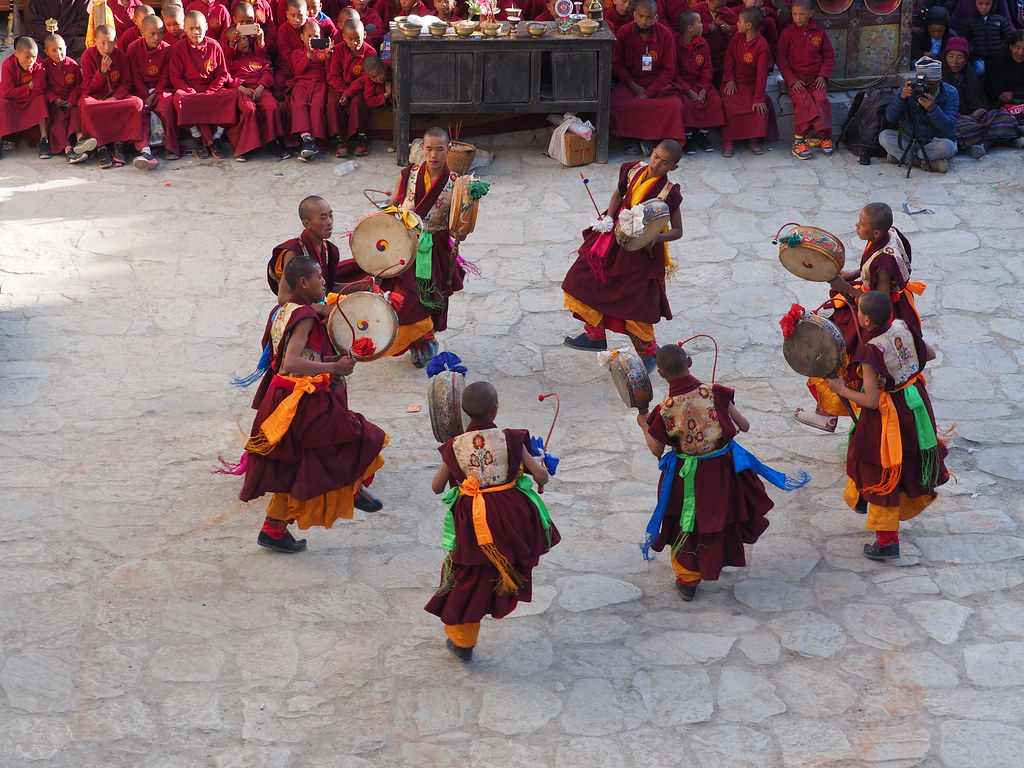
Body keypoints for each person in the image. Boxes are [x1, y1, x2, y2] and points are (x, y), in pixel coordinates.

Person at [239, 255, 389, 554]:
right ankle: (353, 490)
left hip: (288, 396)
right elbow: (289, 362)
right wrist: (334, 369)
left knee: (301, 465)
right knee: (360, 436)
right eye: (319, 278)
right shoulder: (305, 316)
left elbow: (301, 356)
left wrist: (331, 360)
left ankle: (274, 528)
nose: (324, 281)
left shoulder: (285, 309)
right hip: (300, 399)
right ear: (304, 283)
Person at [637, 345, 806, 601]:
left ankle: (688, 579)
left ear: (660, 373)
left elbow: (655, 450)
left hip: (688, 477)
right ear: (690, 362)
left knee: (688, 522)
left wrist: (642, 423)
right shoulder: (714, 392)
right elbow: (745, 426)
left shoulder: (665, 410)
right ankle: (716, 559)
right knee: (720, 516)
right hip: (724, 470)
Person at [423, 381, 557, 662]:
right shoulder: (511, 438)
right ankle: (501, 595)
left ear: (463, 412)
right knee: (503, 564)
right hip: (512, 517)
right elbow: (541, 477)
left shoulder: (454, 445)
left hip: (473, 518)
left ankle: (463, 640)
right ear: (496, 409)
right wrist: (540, 467)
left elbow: (437, 487)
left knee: (468, 574)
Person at [825, 292, 949, 560]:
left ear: (866, 319)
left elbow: (870, 400)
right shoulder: (902, 326)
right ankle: (861, 500)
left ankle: (886, 541)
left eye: (858, 312)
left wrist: (840, 389)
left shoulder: (871, 350)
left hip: (887, 415)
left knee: (880, 468)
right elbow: (930, 353)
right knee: (901, 460)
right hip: (914, 402)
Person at [795, 202, 922, 432]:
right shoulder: (890, 234)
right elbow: (868, 267)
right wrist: (854, 274)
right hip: (887, 303)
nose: (856, 225)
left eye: (861, 224)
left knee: (833, 350)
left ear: (876, 232)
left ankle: (827, 414)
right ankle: (827, 411)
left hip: (874, 313)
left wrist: (846, 288)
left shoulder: (885, 263)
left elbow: (879, 300)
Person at [562, 140, 683, 370]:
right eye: (656, 156)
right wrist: (608, 216)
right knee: (581, 279)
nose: (656, 164)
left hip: (641, 252)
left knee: (634, 301)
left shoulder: (669, 193)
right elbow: (619, 193)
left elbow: (678, 231)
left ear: (672, 168)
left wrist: (652, 238)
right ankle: (594, 334)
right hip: (613, 238)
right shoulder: (631, 169)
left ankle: (649, 353)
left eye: (664, 162)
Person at [373, 126, 466, 367]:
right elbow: (393, 205)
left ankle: (426, 338)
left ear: (449, 150)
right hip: (405, 245)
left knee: (430, 295)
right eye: (429, 149)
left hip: (435, 246)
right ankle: (416, 340)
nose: (433, 155)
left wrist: (469, 208)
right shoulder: (408, 174)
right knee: (407, 295)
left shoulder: (456, 183)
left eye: (439, 149)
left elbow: (458, 223)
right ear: (421, 149)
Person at [610, 0, 685, 155]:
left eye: (649, 17)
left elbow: (669, 70)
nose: (644, 21)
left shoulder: (665, 34)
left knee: (674, 106)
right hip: (631, 82)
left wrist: (649, 92)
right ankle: (632, 137)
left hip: (657, 83)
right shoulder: (624, 31)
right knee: (617, 103)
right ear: (634, 15)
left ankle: (653, 138)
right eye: (641, 16)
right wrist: (634, 87)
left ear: (656, 17)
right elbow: (617, 64)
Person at [169, 10, 239, 159]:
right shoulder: (178, 49)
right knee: (179, 99)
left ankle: (218, 135)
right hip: (190, 91)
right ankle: (197, 137)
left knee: (232, 96)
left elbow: (222, 74)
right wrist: (190, 91)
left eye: (199, 27)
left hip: (211, 89)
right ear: (185, 29)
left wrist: (210, 91)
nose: (196, 32)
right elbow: (175, 78)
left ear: (206, 27)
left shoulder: (214, 46)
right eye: (191, 28)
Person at [878, 55, 959, 172]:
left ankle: (904, 157)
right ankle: (925, 163)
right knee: (884, 136)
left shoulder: (951, 92)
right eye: (922, 83)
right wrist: (901, 98)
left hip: (936, 140)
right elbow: (891, 118)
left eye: (930, 85)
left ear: (939, 81)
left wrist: (933, 110)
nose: (925, 88)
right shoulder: (909, 89)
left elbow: (949, 127)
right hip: (910, 138)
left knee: (947, 147)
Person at [79, 25, 145, 168]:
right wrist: (101, 71)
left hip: (117, 98)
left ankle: (119, 144)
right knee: (86, 106)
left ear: (115, 41)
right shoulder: (88, 56)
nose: (106, 47)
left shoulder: (121, 56)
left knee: (137, 103)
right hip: (96, 97)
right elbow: (89, 88)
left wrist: (115, 97)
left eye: (110, 43)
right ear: (94, 41)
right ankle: (101, 147)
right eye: (102, 43)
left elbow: (126, 82)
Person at [942, 36, 1021, 156]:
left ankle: (979, 143)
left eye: (960, 57)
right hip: (956, 120)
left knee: (1003, 116)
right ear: (945, 57)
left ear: (966, 59)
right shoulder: (940, 77)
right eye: (951, 56)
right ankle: (999, 138)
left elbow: (982, 101)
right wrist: (962, 116)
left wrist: (980, 110)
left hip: (976, 119)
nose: (955, 61)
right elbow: (940, 109)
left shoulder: (969, 74)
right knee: (959, 129)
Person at [224, 21, 291, 161]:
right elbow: (225, 75)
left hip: (260, 88)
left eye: (244, 38)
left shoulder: (256, 56)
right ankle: (244, 148)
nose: (243, 42)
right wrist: (239, 86)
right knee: (249, 110)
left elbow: (267, 72)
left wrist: (261, 86)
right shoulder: (229, 60)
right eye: (238, 40)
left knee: (272, 107)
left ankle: (275, 142)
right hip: (241, 90)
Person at [777, 0, 835, 159]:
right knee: (802, 102)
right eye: (795, 14)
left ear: (811, 14)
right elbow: (781, 59)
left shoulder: (819, 33)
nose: (797, 17)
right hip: (797, 81)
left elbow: (829, 56)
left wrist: (823, 75)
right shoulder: (788, 33)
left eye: (802, 14)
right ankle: (798, 141)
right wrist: (791, 80)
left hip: (816, 80)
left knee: (821, 100)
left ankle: (825, 138)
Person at [268, 195, 343, 307]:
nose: (329, 222)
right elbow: (283, 298)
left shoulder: (329, 249)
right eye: (323, 218)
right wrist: (320, 309)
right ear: (306, 224)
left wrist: (367, 283)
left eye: (330, 216)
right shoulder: (294, 252)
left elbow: (329, 288)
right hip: (300, 312)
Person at [720, 7, 776, 157]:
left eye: (740, 21)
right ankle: (729, 139)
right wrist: (729, 79)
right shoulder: (737, 38)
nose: (737, 24)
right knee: (729, 102)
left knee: (758, 107)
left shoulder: (761, 45)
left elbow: (761, 74)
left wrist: (758, 98)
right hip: (735, 82)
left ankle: (753, 138)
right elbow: (729, 59)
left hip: (752, 84)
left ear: (749, 25)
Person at [128, 14, 181, 168]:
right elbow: (134, 76)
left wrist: (155, 93)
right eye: (152, 33)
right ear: (142, 32)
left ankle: (170, 146)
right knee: (138, 107)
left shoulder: (167, 49)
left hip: (160, 89)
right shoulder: (133, 48)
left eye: (160, 33)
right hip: (140, 90)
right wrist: (145, 95)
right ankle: (144, 148)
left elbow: (166, 76)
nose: (157, 37)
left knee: (166, 104)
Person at [675, 9, 725, 153]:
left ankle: (704, 133)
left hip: (700, 83)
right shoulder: (675, 42)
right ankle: (688, 136)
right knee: (685, 103)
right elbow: (674, 72)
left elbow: (707, 69)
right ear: (690, 28)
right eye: (700, 23)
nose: (703, 26)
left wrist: (703, 88)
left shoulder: (703, 43)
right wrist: (689, 91)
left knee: (714, 100)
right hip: (682, 84)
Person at [42, 33, 97, 163]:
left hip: (71, 102)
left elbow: (79, 85)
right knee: (58, 121)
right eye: (53, 50)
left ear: (66, 48)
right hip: (55, 105)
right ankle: (68, 149)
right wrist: (54, 98)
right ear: (46, 52)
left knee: (76, 114)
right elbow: (43, 87)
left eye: (61, 49)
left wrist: (72, 99)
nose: (58, 53)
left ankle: (80, 140)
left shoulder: (72, 65)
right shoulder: (44, 67)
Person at [328, 19, 376, 157]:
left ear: (365, 35)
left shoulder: (370, 52)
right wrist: (343, 91)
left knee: (358, 102)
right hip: (340, 86)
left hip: (360, 88)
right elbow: (333, 75)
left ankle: (361, 137)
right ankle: (340, 140)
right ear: (343, 36)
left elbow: (365, 78)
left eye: (358, 39)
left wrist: (349, 93)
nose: (354, 43)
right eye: (350, 39)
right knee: (333, 102)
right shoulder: (338, 50)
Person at [0, 36, 51, 160]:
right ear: (16, 54)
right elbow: (6, 92)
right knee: (2, 103)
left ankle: (44, 139)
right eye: (26, 57)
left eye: (33, 57)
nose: (30, 61)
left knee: (40, 100)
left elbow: (39, 88)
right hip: (14, 99)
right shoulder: (8, 64)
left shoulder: (38, 64)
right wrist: (28, 87)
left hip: (28, 98)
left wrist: (19, 94)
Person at [288, 20, 331, 161]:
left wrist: (329, 56)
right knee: (299, 105)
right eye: (309, 36)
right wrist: (308, 55)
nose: (313, 39)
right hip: (302, 84)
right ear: (301, 37)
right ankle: (306, 138)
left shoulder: (324, 53)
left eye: (316, 36)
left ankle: (313, 142)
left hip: (320, 84)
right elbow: (298, 69)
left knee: (317, 108)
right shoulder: (297, 53)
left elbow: (330, 70)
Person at [691, 0, 738, 86]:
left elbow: (740, 25)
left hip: (722, 56)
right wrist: (706, 28)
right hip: (703, 56)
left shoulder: (726, 11)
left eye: (722, 7)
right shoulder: (697, 10)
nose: (719, 10)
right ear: (708, 1)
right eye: (716, 7)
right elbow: (689, 28)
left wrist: (730, 28)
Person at [985, 29, 1024, 130]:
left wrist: (1014, 92)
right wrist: (1000, 94)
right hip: (1001, 103)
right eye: (1017, 47)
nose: (1020, 53)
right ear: (1010, 47)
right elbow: (990, 85)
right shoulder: (1000, 60)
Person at [962, 0, 1013, 75]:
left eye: (988, 4)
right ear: (975, 4)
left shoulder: (1000, 20)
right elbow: (964, 41)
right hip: (977, 57)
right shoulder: (968, 22)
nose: (984, 7)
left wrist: (1001, 49)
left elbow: (1008, 38)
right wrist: (974, 50)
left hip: (997, 56)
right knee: (979, 69)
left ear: (993, 4)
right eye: (980, 4)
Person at [276, 0, 309, 98]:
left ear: (307, 13)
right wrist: (299, 71)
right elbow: (285, 56)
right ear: (287, 14)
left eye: (300, 16)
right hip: (289, 66)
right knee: (279, 82)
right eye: (293, 15)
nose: (296, 20)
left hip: (310, 64)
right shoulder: (283, 30)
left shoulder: (312, 25)